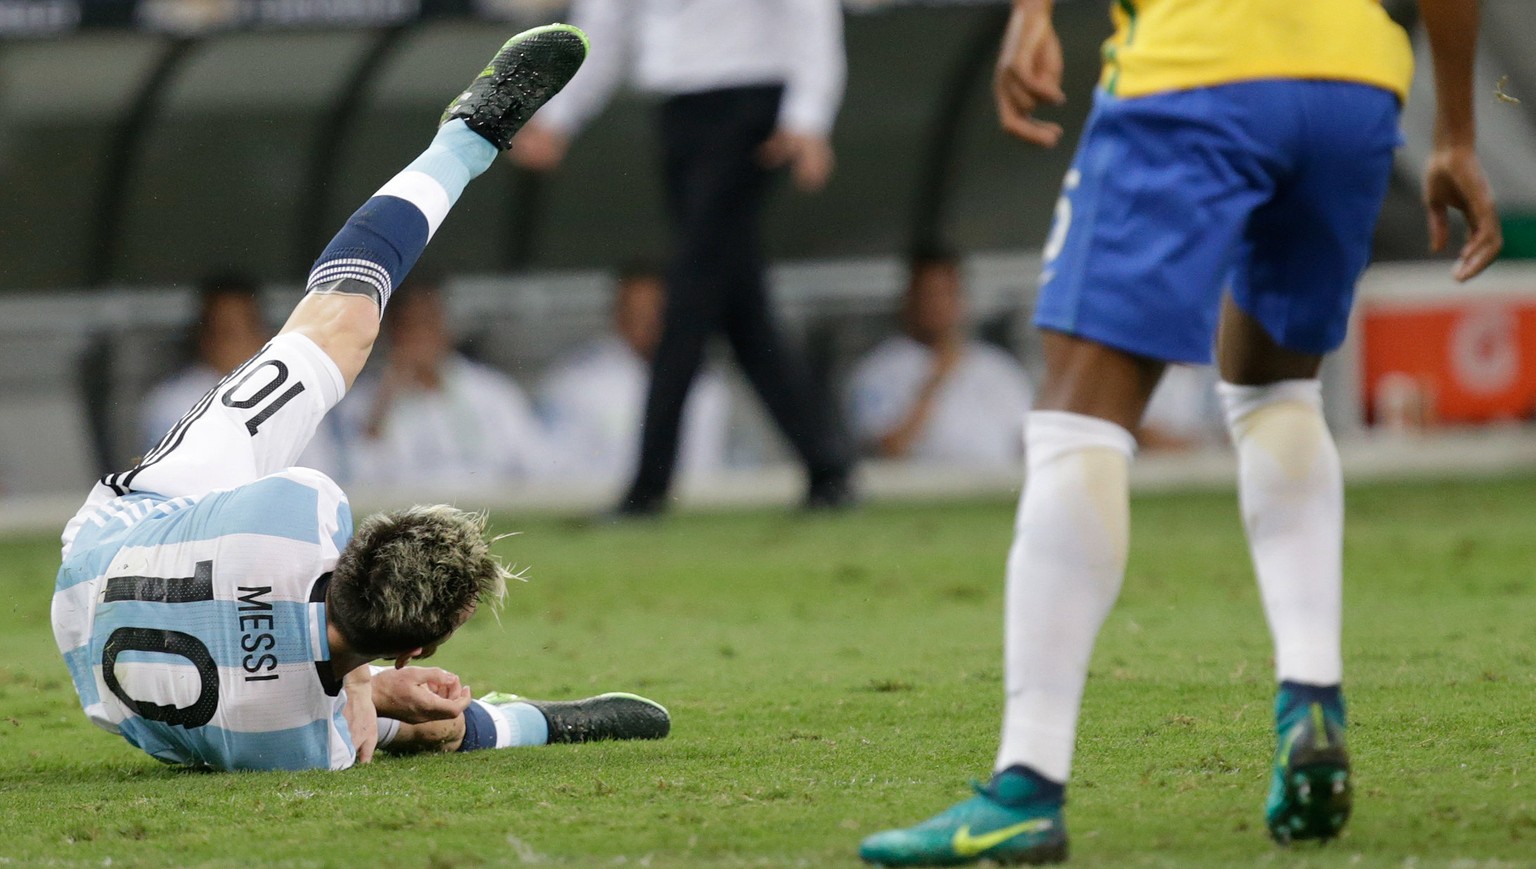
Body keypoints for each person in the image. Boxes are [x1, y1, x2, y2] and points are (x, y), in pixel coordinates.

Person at [860, 0, 1501, 864]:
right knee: (1274, 384)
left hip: (1198, 63)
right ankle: (1310, 693)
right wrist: (1457, 131)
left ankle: (1026, 786)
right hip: (1355, 81)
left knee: (1078, 413)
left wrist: (1032, 12)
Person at [52, 25, 670, 773]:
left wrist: (362, 680)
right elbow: (323, 688)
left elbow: (289, 587)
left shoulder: (302, 508)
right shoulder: (304, 747)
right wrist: (363, 684)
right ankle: (525, 723)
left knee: (336, 324)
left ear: (357, 543)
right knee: (422, 727)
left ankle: (464, 143)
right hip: (108, 676)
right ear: (423, 644)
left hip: (103, 543)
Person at [510, 0, 856, 514]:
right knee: (740, 308)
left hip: (752, 102)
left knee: (689, 298)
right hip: (679, 111)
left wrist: (808, 115)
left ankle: (649, 484)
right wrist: (559, 117)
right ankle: (827, 467)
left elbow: (809, 10)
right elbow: (604, 22)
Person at [348, 277, 555, 487]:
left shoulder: (492, 392)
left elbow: (538, 466)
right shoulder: (363, 403)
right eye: (409, 326)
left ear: (444, 326)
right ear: (390, 332)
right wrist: (384, 402)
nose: (421, 337)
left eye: (428, 323)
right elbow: (358, 481)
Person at [538, 263, 730, 484]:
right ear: (619, 313)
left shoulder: (708, 386)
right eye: (637, 312)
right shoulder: (577, 384)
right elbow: (553, 474)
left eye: (656, 310)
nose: (648, 322)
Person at [139, 273, 345, 478]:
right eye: (229, 332)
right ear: (205, 338)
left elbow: (322, 476)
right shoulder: (172, 403)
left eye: (248, 328)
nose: (241, 342)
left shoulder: (296, 391)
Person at [846, 250, 1032, 467]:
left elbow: (1028, 442)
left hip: (994, 489)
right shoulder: (878, 370)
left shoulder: (997, 366)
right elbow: (889, 450)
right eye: (929, 294)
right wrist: (936, 380)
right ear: (909, 298)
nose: (937, 305)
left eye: (946, 293)